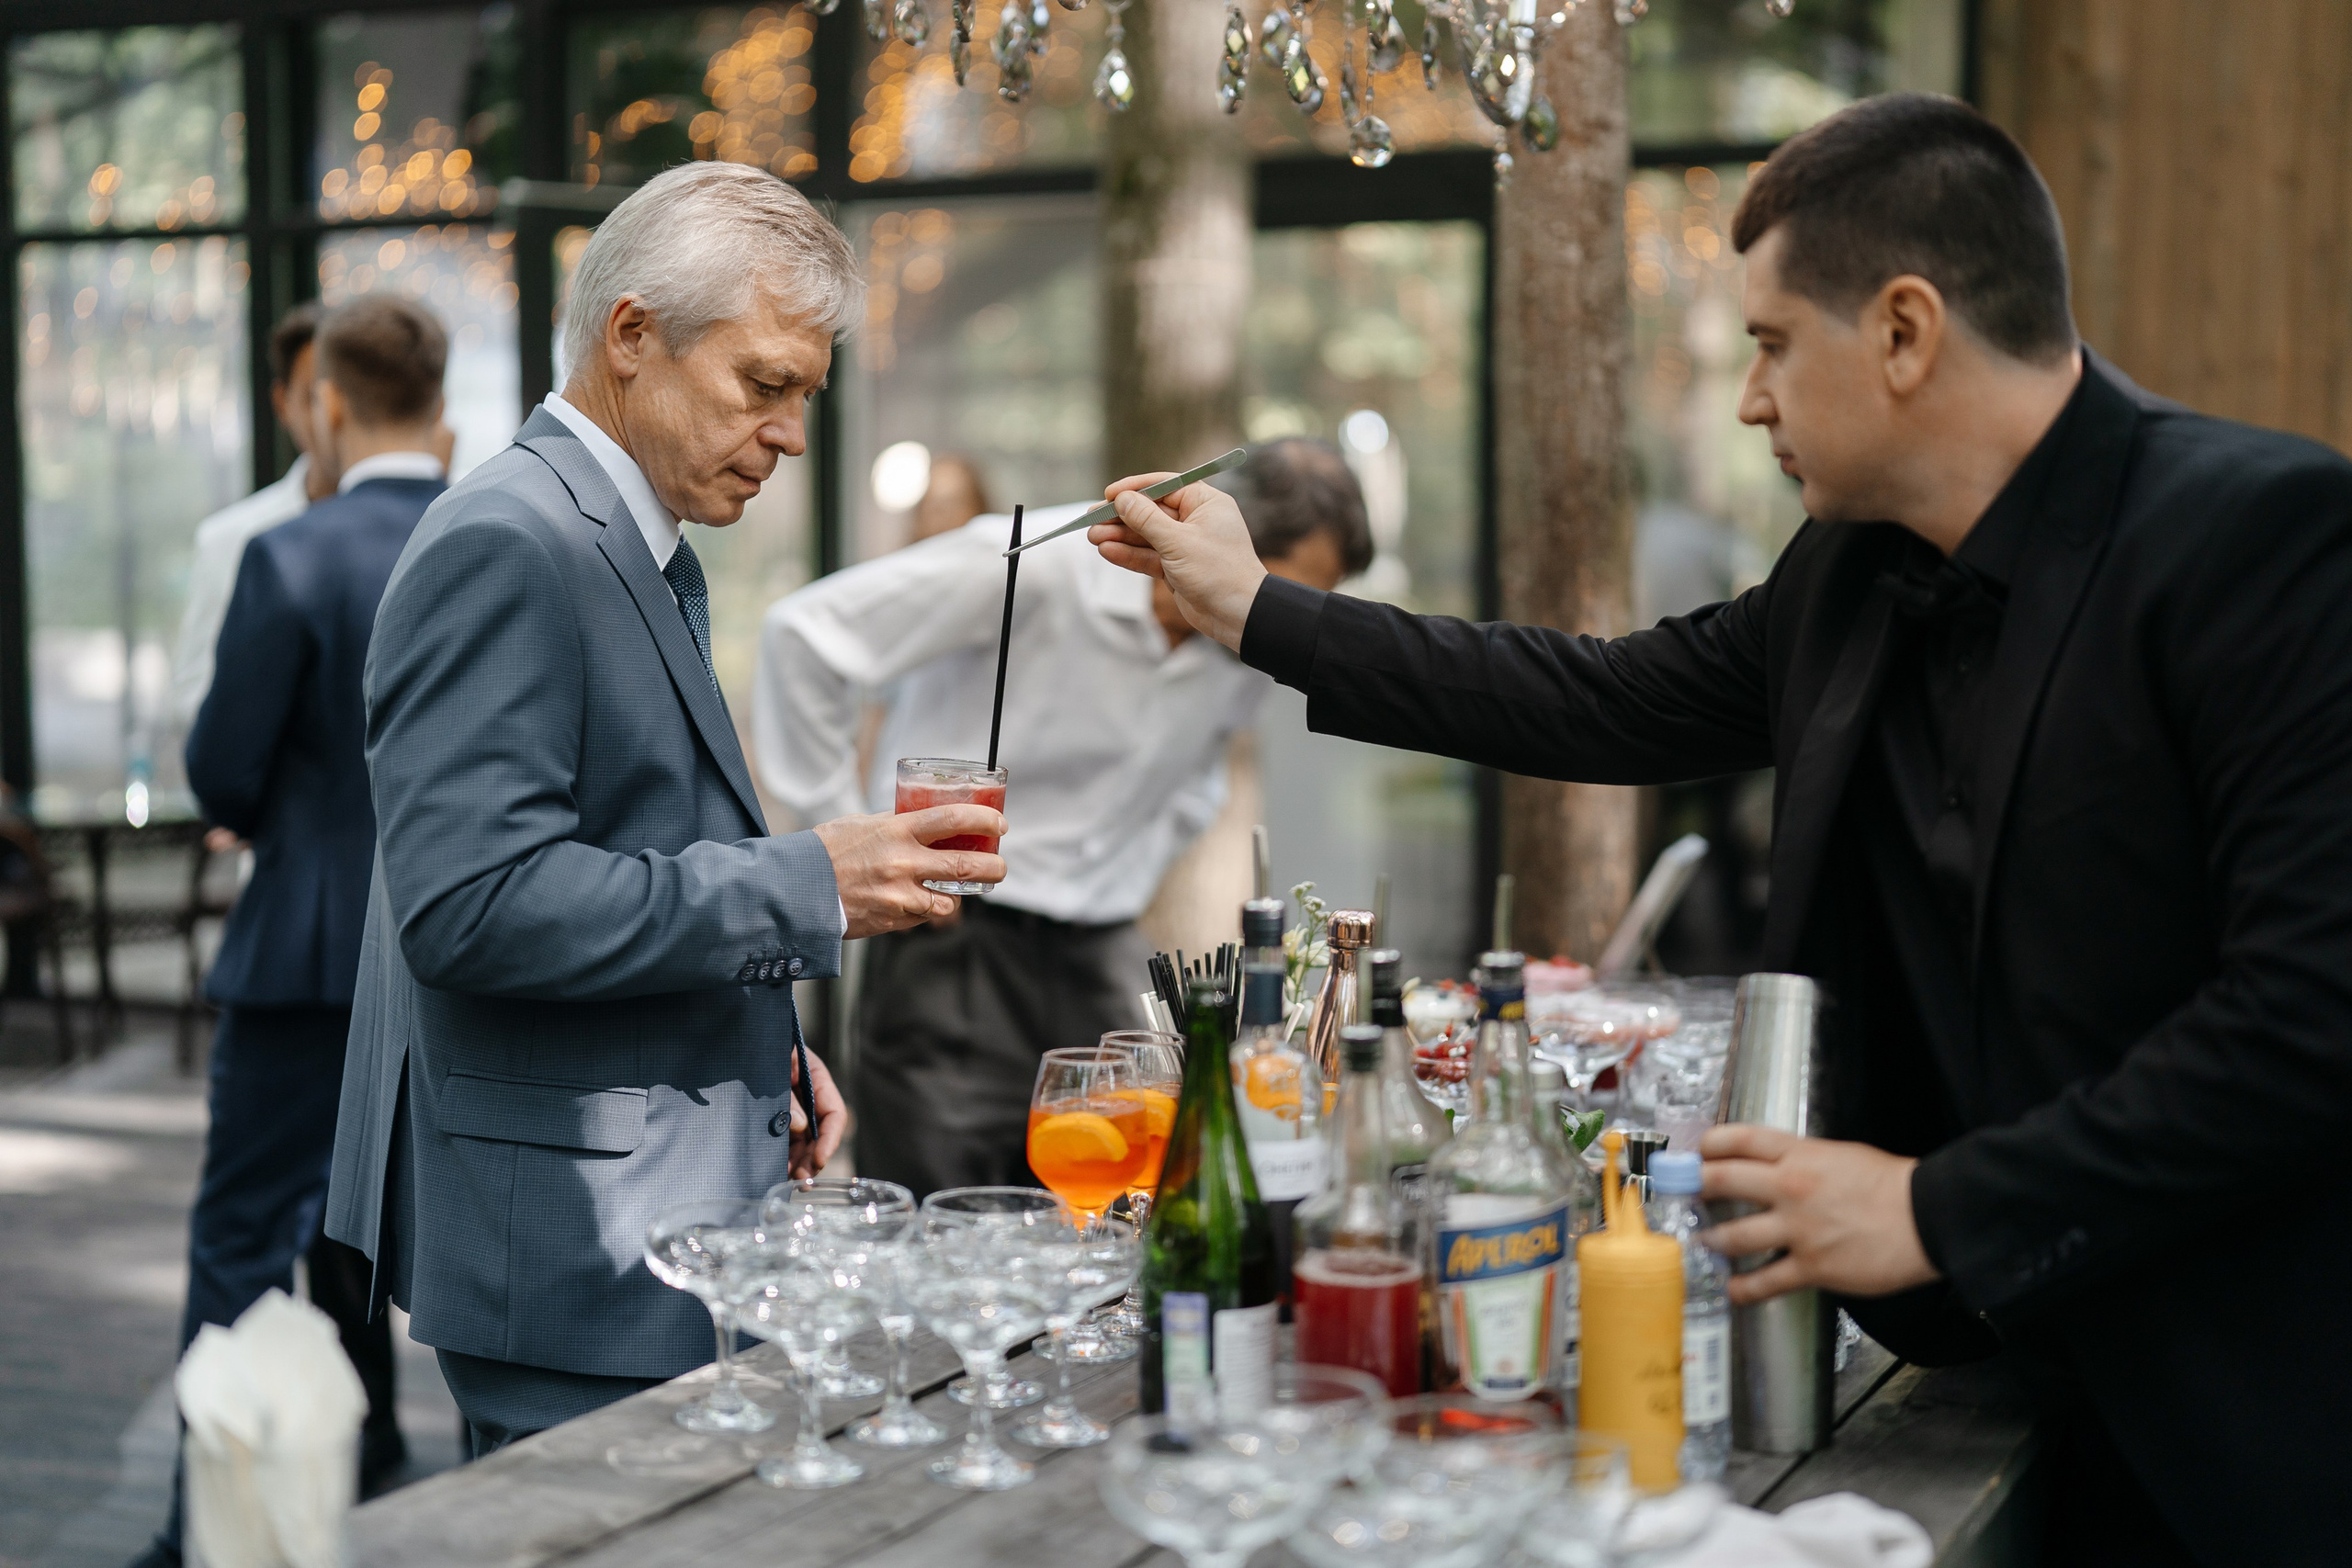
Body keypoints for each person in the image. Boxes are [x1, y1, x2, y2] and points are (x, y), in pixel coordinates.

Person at [1087, 94, 2350, 1568]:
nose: (1751, 399)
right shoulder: (1846, 573)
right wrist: (1261, 611)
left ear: (1904, 331)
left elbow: (2309, 1017)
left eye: (1770, 342)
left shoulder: (2267, 538)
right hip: (1969, 1384)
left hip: (2238, 1414)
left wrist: (1939, 1207)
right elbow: (1602, 697)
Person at [322, 162, 1002, 1458]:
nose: (790, 433)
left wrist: (752, 1046)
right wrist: (810, 883)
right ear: (631, 336)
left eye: (805, 395)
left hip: (631, 1235)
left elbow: (619, 846)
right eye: (764, 384)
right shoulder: (511, 542)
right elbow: (473, 908)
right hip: (576, 1261)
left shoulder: (616, 539)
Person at [754, 440, 1368, 1197]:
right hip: (953, 951)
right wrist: (851, 843)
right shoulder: (1032, 561)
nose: (1285, 622)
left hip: (1101, 957)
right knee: (943, 1218)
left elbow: (1201, 779)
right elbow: (803, 635)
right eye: (1282, 593)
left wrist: (1130, 865)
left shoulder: (1240, 647)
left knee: (1120, 1211)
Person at [142, 296, 452, 1568]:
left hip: (309, 949)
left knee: (240, 1238)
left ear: (323, 400)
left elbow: (220, 771)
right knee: (445, 1238)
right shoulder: (505, 537)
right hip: (466, 954)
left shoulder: (291, 555)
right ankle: (412, 1469)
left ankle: (202, 1532)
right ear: (439, 403)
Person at [167, 305, 334, 736]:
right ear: (283, 404)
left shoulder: (425, 524)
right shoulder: (231, 539)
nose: (332, 416)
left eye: (345, 395)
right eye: (314, 397)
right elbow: (193, 698)